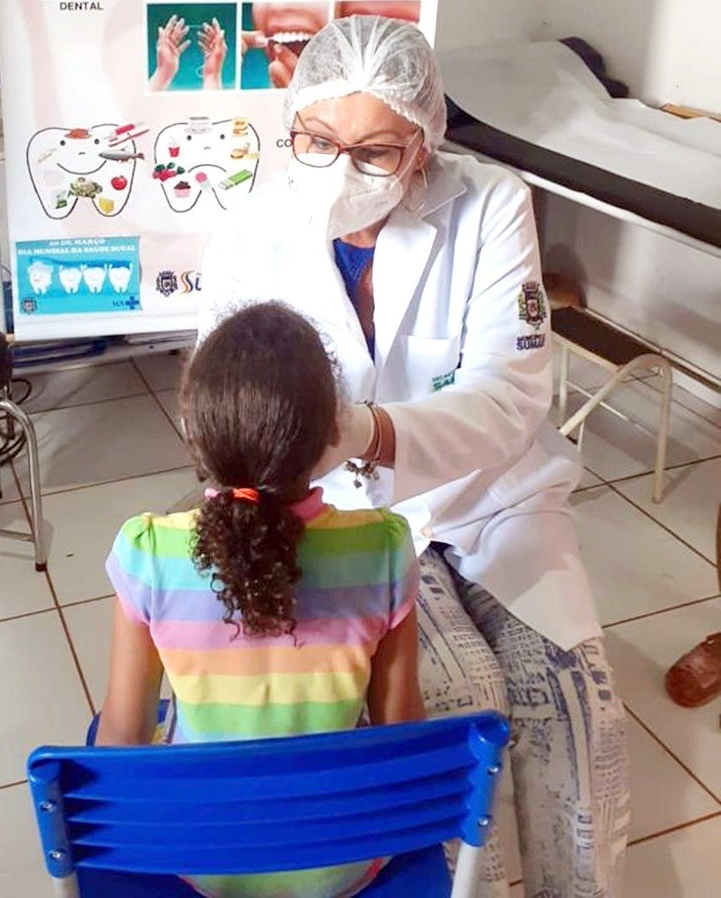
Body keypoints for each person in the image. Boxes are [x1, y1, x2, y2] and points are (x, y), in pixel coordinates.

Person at [198, 15, 630, 898]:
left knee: (578, 713)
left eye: (375, 152)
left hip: (492, 493)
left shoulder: (491, 203)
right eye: (319, 141)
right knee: (456, 708)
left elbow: (509, 394)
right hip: (334, 506)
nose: (340, 169)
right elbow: (221, 387)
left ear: (424, 145)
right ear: (293, 123)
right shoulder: (251, 224)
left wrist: (365, 430)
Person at [98, 303, 425, 898]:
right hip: (340, 865)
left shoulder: (149, 556)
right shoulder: (383, 550)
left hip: (203, 861)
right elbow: (401, 735)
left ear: (195, 431)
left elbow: (124, 734)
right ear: (333, 432)